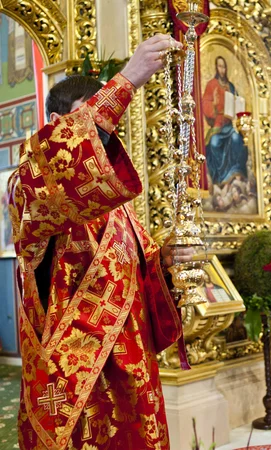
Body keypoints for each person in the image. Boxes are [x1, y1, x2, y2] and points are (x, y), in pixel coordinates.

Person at [9, 34, 193, 449]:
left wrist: (163, 260)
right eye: (85, 120)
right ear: (57, 125)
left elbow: (138, 275)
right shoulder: (33, 183)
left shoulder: (120, 208)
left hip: (133, 367)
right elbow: (63, 157)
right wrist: (127, 79)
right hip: (76, 375)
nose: (101, 136)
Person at [202, 56, 248, 187]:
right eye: (220, 66)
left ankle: (236, 172)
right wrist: (214, 104)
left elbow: (238, 103)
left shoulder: (231, 86)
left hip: (231, 124)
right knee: (214, 143)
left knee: (236, 139)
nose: (222, 70)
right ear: (216, 68)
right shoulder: (212, 84)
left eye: (224, 67)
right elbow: (205, 104)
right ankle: (219, 178)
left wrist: (238, 109)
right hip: (217, 125)